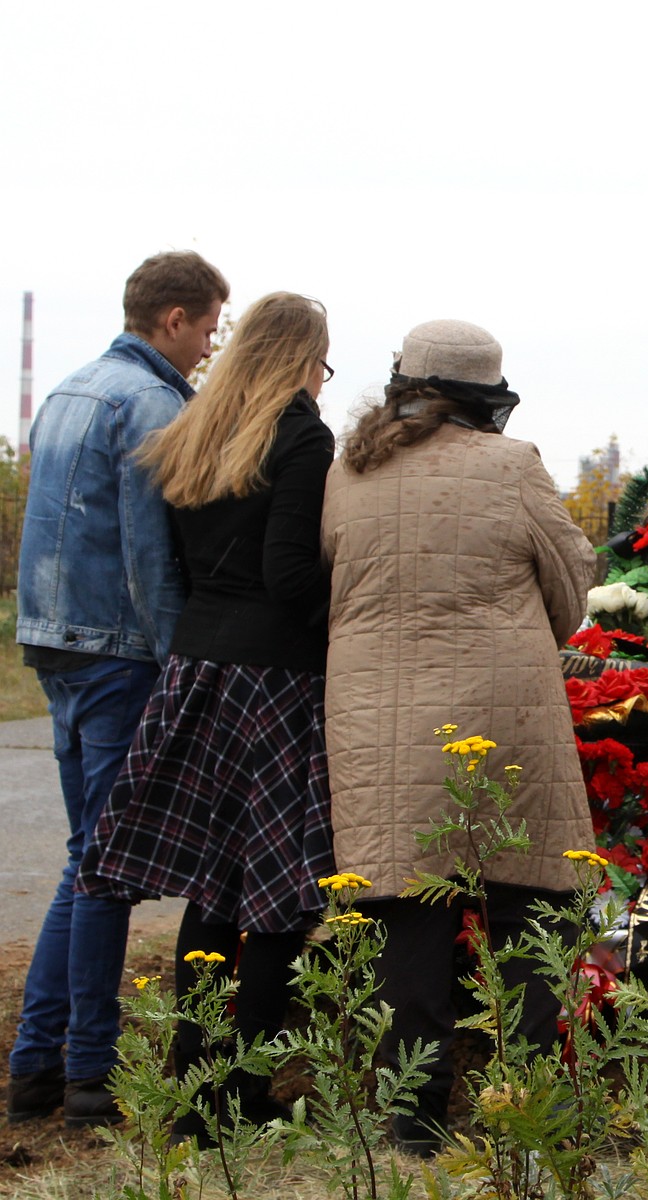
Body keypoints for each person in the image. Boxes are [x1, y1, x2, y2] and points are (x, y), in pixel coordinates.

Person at [321, 319, 596, 1156]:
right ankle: (528, 1108)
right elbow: (572, 581)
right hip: (503, 712)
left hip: (376, 714)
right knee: (526, 900)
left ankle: (413, 1121)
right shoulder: (514, 466)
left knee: (406, 912)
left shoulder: (349, 471)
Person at [82, 292, 337, 1139]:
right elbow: (292, 575)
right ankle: (240, 1095)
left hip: (198, 668)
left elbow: (180, 568)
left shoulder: (194, 431)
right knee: (272, 893)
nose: (322, 381)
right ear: (303, 359)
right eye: (322, 363)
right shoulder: (300, 437)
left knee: (215, 888)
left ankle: (195, 1085)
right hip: (274, 680)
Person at [8, 251, 229, 1128]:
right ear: (172, 318)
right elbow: (149, 554)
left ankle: (36, 1063)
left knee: (84, 858)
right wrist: (185, 665)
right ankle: (86, 1075)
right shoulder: (150, 404)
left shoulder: (69, 390)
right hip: (118, 652)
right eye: (210, 328)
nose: (212, 347)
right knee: (103, 869)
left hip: (54, 641)